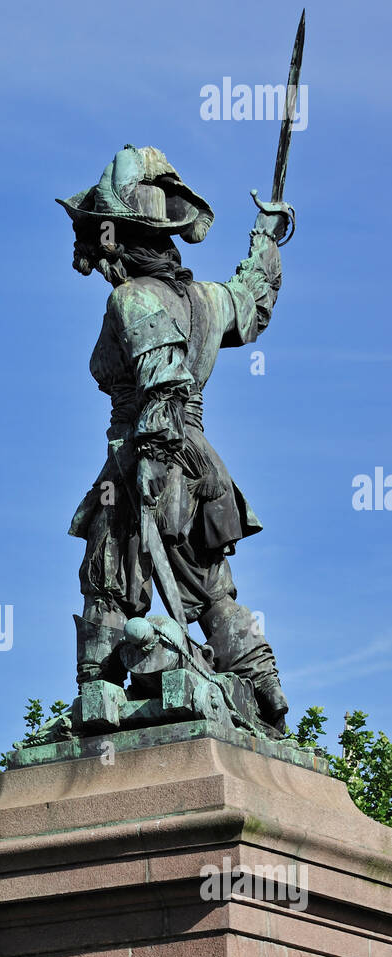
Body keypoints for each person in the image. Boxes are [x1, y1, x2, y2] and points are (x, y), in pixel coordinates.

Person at [58, 144, 292, 732]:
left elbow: (164, 383)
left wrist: (148, 476)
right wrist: (265, 236)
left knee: (107, 573)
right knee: (211, 588)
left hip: (148, 456)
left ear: (119, 236)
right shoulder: (208, 300)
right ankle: (264, 687)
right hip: (202, 465)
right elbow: (251, 302)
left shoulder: (133, 298)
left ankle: (98, 695)